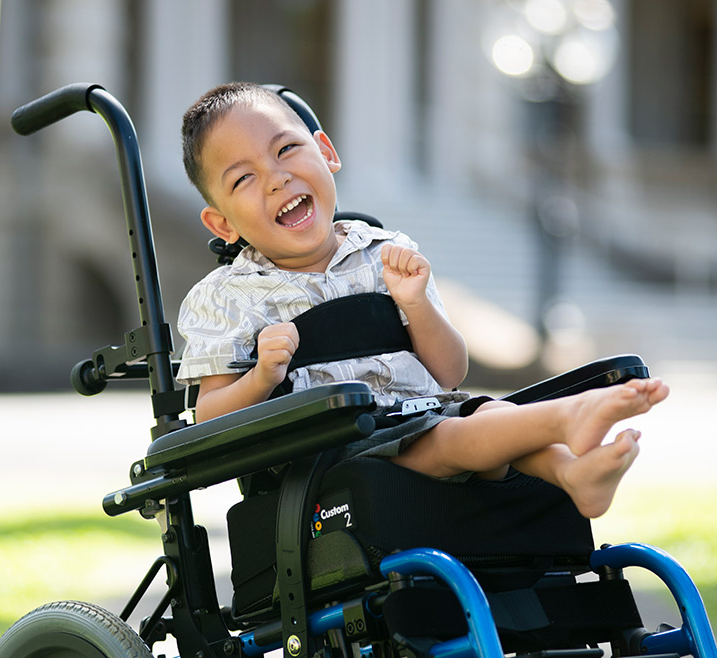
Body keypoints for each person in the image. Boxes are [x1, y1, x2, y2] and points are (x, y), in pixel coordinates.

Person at [176, 82, 669, 519]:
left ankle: (571, 471)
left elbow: (450, 373)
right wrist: (263, 376)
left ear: (326, 151)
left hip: (427, 415)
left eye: (286, 149)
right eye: (243, 178)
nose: (276, 177)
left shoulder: (385, 254)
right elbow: (208, 420)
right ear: (222, 223)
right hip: (333, 464)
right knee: (459, 434)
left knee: (485, 417)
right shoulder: (227, 298)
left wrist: (417, 306)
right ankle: (566, 417)